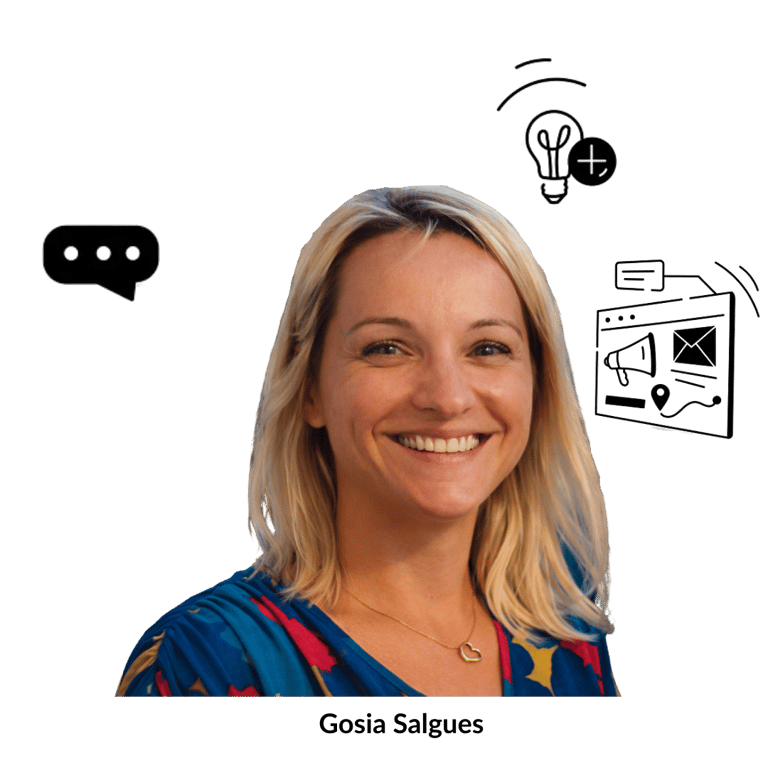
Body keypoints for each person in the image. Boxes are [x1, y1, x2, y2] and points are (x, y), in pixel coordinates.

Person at [116, 186, 618, 697]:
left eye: (487, 347)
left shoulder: (569, 638)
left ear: (539, 383)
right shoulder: (205, 660)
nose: (447, 398)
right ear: (310, 386)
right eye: (387, 348)